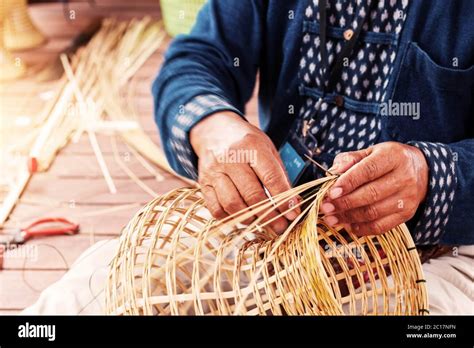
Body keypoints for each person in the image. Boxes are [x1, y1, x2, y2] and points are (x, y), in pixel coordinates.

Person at [23, 0, 473, 315]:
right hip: (278, 226)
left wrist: (429, 176)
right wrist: (216, 129)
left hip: (442, 248)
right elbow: (198, 58)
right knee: (97, 291)